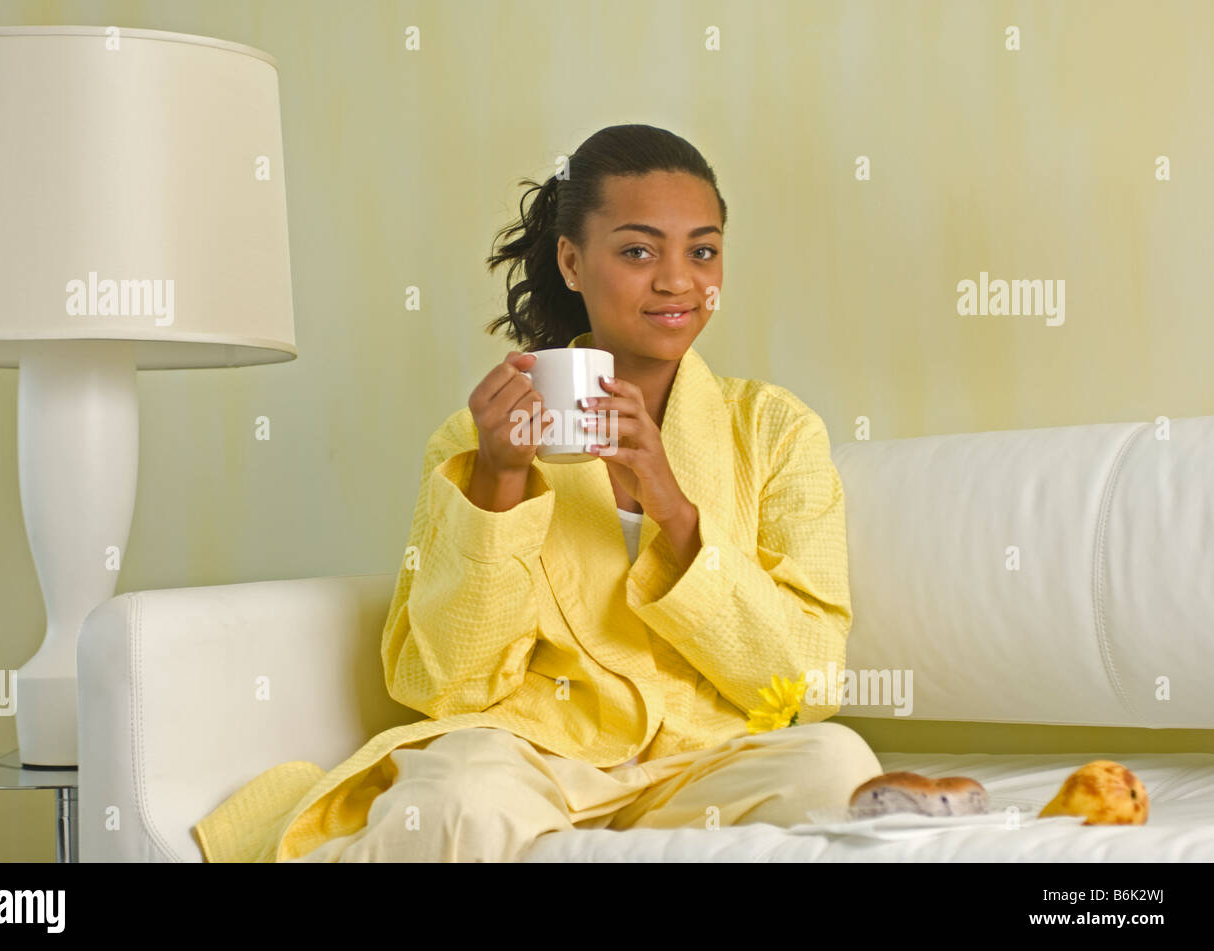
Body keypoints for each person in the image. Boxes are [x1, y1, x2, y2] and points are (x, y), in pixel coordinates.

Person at [192, 123, 882, 863]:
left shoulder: (774, 430)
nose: (678, 280)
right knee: (460, 801)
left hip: (697, 766)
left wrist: (673, 510)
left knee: (836, 766)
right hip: (531, 759)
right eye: (638, 250)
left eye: (702, 251)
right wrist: (500, 482)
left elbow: (807, 680)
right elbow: (449, 687)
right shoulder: (473, 438)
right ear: (572, 261)